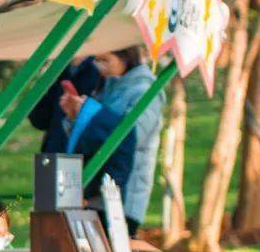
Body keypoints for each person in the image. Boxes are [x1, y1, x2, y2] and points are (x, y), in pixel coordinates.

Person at [29, 47, 163, 234]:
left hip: (121, 195)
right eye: (97, 61)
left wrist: (92, 115)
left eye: (105, 61)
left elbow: (131, 137)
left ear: (126, 57)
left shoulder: (144, 90)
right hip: (94, 194)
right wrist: (75, 117)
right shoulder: (107, 87)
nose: (98, 67)